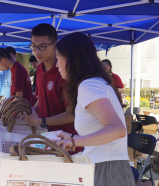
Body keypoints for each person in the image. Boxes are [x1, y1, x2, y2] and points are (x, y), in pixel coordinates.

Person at [53, 32, 135, 186]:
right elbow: (100, 129)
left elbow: (117, 129)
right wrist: (70, 136)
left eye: (58, 58)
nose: (57, 65)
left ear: (71, 58)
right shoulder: (93, 83)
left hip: (108, 170)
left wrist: (75, 140)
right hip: (106, 167)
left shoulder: (89, 85)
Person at [25, 23, 81, 154]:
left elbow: (72, 114)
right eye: (33, 46)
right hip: (45, 142)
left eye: (42, 47)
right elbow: (42, 99)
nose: (37, 51)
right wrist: (31, 112)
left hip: (66, 145)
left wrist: (41, 120)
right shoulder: (39, 69)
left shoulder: (64, 72)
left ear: (55, 45)